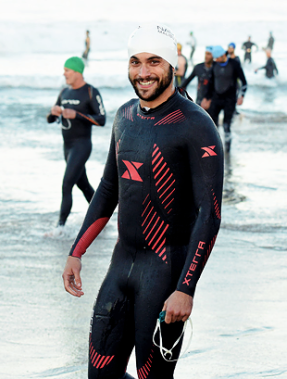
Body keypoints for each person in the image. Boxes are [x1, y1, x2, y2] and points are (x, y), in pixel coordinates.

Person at [62, 24, 224, 379]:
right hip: (120, 267)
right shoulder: (124, 117)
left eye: (154, 62)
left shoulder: (196, 125)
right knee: (99, 375)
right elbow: (107, 190)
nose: (143, 72)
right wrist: (76, 252)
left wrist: (185, 288)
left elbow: (208, 214)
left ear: (173, 66)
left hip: (165, 273)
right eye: (135, 62)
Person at [46, 56, 106, 235]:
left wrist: (78, 115)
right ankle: (102, 218)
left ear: (77, 72)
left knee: (67, 184)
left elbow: (101, 119)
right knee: (84, 185)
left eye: (67, 70)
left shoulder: (90, 92)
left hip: (82, 145)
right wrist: (53, 113)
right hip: (67, 147)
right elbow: (51, 119)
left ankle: (60, 228)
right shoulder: (64, 92)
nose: (64, 74)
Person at [201, 45, 247, 153]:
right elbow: (210, 83)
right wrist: (206, 98)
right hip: (216, 99)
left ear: (222, 55)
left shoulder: (234, 64)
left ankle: (227, 151)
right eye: (215, 59)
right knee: (212, 125)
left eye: (217, 58)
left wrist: (242, 96)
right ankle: (215, 149)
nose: (216, 60)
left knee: (226, 126)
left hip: (229, 100)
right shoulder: (215, 65)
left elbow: (244, 82)